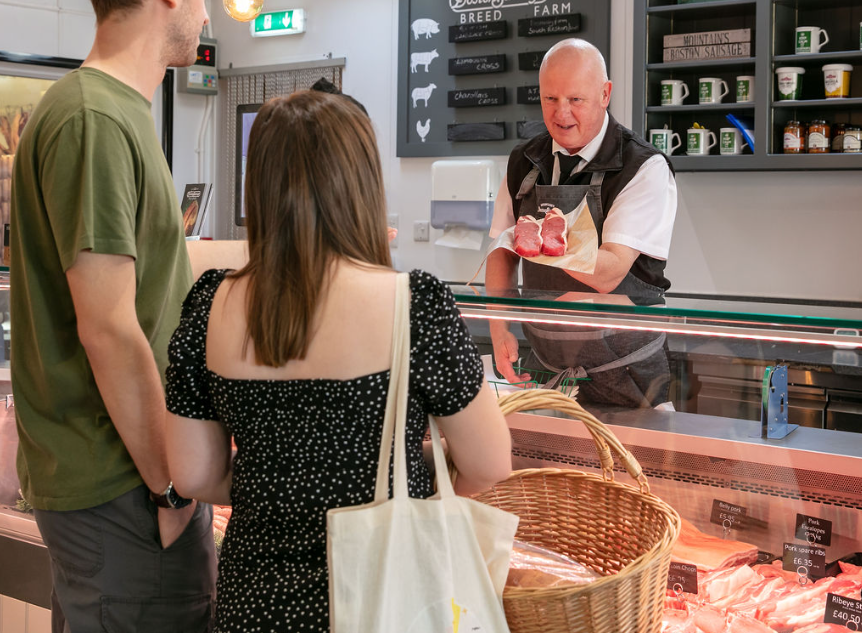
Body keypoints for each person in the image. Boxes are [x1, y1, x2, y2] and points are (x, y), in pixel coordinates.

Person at [164, 90, 512, 633]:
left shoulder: (210, 302)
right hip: (386, 598)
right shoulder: (415, 303)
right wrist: (392, 472)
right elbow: (490, 463)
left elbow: (193, 474)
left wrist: (281, 480)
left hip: (253, 604)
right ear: (362, 184)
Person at [10, 0, 219, 631]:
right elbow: (107, 327)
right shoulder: (96, 117)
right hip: (122, 483)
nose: (205, 12)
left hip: (118, 481)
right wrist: (169, 485)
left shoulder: (111, 111)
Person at [486, 38, 677, 407]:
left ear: (605, 94)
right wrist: (498, 328)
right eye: (550, 99)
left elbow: (608, 273)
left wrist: (536, 235)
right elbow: (501, 250)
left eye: (576, 99)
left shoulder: (643, 167)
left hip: (629, 378)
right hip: (545, 369)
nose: (562, 114)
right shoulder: (524, 160)